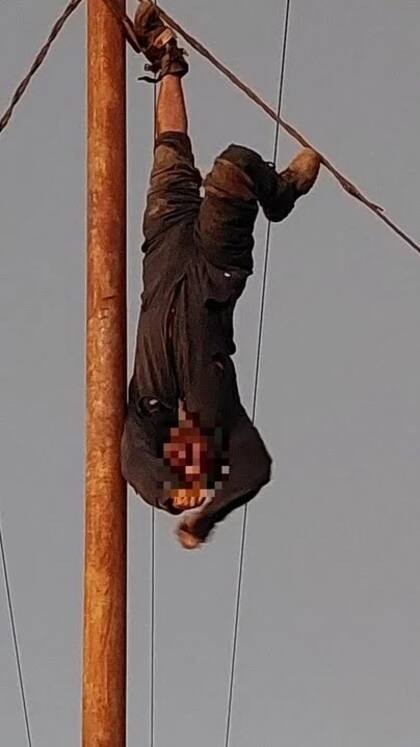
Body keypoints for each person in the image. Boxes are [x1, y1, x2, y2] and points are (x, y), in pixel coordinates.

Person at [121, 0, 321, 549]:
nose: (190, 456)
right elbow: (255, 469)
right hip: (214, 268)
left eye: (180, 464)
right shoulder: (224, 419)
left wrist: (169, 495)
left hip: (162, 244)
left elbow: (132, 462)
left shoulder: (148, 407)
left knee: (170, 153)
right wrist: (206, 517)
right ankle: (276, 195)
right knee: (233, 166)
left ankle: (167, 64)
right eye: (198, 465)